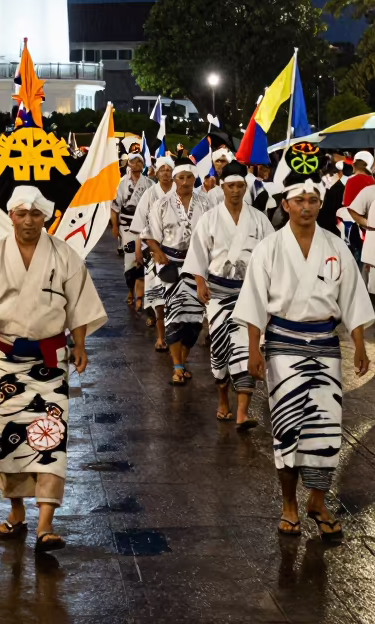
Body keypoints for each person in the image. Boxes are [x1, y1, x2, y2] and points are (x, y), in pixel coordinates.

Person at [0, 187, 106, 551]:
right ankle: (17, 511)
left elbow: (79, 304)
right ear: (11, 216)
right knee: (7, 438)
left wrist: (79, 343)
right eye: (22, 214)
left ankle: (46, 524)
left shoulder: (64, 255)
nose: (29, 221)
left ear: (46, 217)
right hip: (5, 360)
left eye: (36, 215)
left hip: (50, 361)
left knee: (51, 436)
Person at [235, 171, 374, 541]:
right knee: (288, 427)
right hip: (282, 344)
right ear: (286, 204)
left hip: (326, 343)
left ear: (320, 204)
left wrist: (359, 344)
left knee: (326, 428)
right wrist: (253, 350)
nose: (307, 207)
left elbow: (352, 299)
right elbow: (253, 303)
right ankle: (289, 506)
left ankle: (316, 500)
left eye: (313, 200)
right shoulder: (269, 247)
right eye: (300, 201)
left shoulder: (335, 246)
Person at [183, 160, 273, 427]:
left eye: (240, 186)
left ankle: (243, 411)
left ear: (246, 188)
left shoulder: (259, 220)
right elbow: (198, 253)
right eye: (230, 186)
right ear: (222, 187)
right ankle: (223, 398)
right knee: (221, 351)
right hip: (219, 293)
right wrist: (200, 282)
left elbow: (271, 255)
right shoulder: (210, 219)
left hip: (250, 293)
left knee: (248, 348)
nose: (235, 191)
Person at [143, 158, 214, 384]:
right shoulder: (162, 204)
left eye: (189, 177)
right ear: (174, 179)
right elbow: (149, 235)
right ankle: (177, 366)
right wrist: (157, 251)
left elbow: (215, 234)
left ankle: (182, 360)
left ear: (195, 178)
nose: (185, 182)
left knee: (193, 320)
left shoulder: (206, 204)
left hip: (198, 266)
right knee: (174, 315)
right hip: (170, 265)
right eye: (181, 177)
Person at [130, 154, 174, 352]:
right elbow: (141, 225)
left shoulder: (179, 194)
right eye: (162, 169)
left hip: (177, 253)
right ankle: (161, 336)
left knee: (175, 298)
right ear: (156, 172)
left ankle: (174, 335)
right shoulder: (149, 194)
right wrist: (138, 248)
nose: (166, 173)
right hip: (153, 250)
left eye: (169, 169)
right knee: (158, 297)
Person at [110, 154, 151, 308]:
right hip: (127, 227)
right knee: (130, 260)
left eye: (140, 161)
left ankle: (140, 293)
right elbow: (114, 208)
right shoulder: (122, 183)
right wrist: (114, 226)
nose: (137, 164)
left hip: (145, 228)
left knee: (143, 260)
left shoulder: (148, 183)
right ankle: (130, 290)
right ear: (129, 164)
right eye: (134, 161)